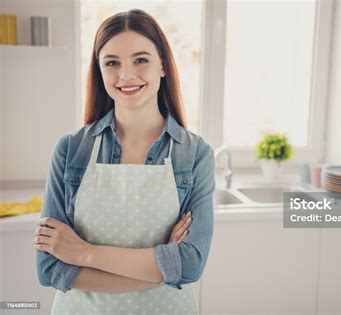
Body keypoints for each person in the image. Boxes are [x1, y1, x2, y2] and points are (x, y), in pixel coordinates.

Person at [34, 9, 215, 314]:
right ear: (99, 70)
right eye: (112, 63)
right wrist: (160, 266)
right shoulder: (70, 150)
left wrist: (83, 253)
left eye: (141, 60)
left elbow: (189, 266)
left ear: (162, 66)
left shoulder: (194, 154)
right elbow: (50, 268)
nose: (126, 74)